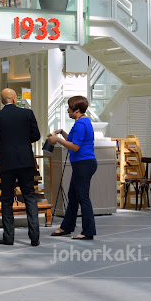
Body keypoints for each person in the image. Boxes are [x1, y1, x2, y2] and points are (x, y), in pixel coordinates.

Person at [0, 88, 41, 246]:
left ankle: (8, 237)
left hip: (7, 162)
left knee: (7, 199)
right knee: (29, 196)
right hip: (26, 160)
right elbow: (36, 136)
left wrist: (2, 147)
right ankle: (34, 236)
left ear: (2, 101)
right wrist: (22, 142)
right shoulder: (27, 114)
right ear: (15, 99)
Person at [47, 95, 97, 240]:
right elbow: (75, 140)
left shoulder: (81, 124)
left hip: (83, 164)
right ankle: (66, 227)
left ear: (76, 110)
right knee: (73, 196)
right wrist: (62, 133)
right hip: (83, 163)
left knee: (83, 197)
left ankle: (88, 231)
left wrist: (57, 140)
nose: (67, 111)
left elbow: (75, 147)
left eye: (69, 108)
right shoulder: (83, 122)